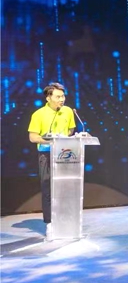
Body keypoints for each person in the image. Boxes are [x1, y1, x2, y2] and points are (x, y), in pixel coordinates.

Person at [28, 82, 76, 235]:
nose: (62, 99)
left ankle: (67, 220)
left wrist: (64, 137)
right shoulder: (38, 114)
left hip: (64, 153)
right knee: (48, 188)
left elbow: (71, 130)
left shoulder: (68, 111)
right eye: (58, 97)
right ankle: (50, 223)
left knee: (66, 187)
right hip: (46, 154)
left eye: (63, 96)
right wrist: (50, 140)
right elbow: (33, 137)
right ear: (48, 98)